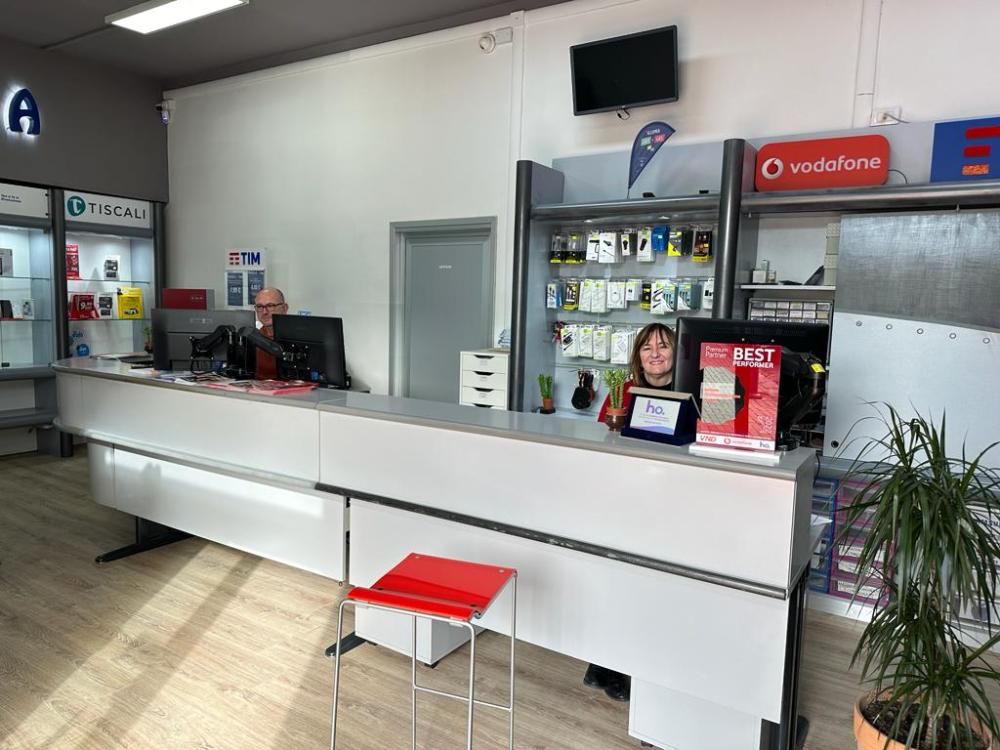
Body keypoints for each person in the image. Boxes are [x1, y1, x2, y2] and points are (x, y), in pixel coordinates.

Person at [586, 322, 676, 702]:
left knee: (652, 593)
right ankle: (605, 664)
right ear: (637, 355)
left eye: (664, 346)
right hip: (626, 501)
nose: (655, 354)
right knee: (618, 585)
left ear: (677, 353)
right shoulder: (623, 391)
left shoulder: (693, 392)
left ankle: (637, 668)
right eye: (646, 348)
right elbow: (602, 441)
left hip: (670, 504)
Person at [252, 287, 288, 379]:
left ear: (284, 308)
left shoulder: (298, 338)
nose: (264, 312)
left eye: (270, 306)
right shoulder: (254, 338)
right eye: (259, 306)